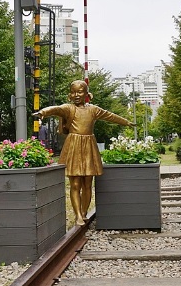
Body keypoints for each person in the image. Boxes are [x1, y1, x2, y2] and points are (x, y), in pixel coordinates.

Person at [33, 80, 135, 226]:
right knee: (75, 183)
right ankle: (78, 216)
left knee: (88, 182)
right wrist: (43, 112)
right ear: (70, 94)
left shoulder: (93, 110)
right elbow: (56, 109)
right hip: (73, 145)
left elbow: (110, 116)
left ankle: (84, 211)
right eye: (73, 92)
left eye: (80, 92)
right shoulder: (68, 108)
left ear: (86, 94)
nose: (76, 95)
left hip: (88, 146)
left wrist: (126, 122)